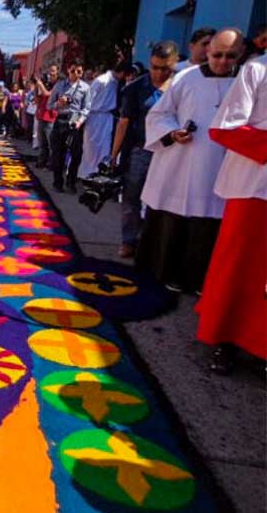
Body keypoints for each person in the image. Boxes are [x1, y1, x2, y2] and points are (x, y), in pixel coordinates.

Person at [137, 29, 244, 294]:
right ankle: (167, 273)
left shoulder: (246, 82)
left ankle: (200, 280)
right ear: (207, 52)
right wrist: (172, 132)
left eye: (230, 56)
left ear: (239, 55)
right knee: (174, 219)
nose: (222, 61)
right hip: (180, 163)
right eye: (217, 54)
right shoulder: (186, 79)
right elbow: (158, 115)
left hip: (221, 166)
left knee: (209, 225)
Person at [196, 52, 266, 373]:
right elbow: (225, 127)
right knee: (239, 269)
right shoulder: (257, 69)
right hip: (253, 187)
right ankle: (225, 340)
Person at [109, 41, 179, 258]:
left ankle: (152, 243)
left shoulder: (183, 86)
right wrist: (114, 154)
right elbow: (124, 122)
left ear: (174, 64)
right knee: (132, 197)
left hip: (171, 152)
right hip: (141, 151)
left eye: (164, 68)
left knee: (163, 200)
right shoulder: (136, 88)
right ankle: (129, 240)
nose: (158, 73)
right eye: (154, 67)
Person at [47, 60, 91, 193]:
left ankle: (71, 182)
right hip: (61, 121)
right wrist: (58, 104)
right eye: (73, 71)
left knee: (76, 154)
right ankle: (57, 182)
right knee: (58, 154)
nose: (76, 74)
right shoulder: (59, 86)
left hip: (75, 123)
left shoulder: (85, 87)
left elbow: (87, 108)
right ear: (68, 70)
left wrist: (80, 121)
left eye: (79, 71)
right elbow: (49, 105)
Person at [78, 62, 128, 179]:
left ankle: (97, 175)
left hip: (107, 118)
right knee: (91, 149)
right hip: (95, 118)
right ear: (121, 73)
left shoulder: (116, 83)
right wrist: (82, 118)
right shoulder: (102, 80)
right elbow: (88, 101)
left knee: (104, 148)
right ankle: (86, 175)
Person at [35, 64, 60, 168]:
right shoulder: (46, 83)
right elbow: (38, 99)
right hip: (42, 115)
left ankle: (52, 163)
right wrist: (36, 88)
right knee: (42, 142)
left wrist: (40, 84)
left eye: (53, 71)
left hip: (51, 117)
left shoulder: (59, 85)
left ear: (57, 73)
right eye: (50, 71)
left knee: (51, 143)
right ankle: (42, 161)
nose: (51, 73)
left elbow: (47, 94)